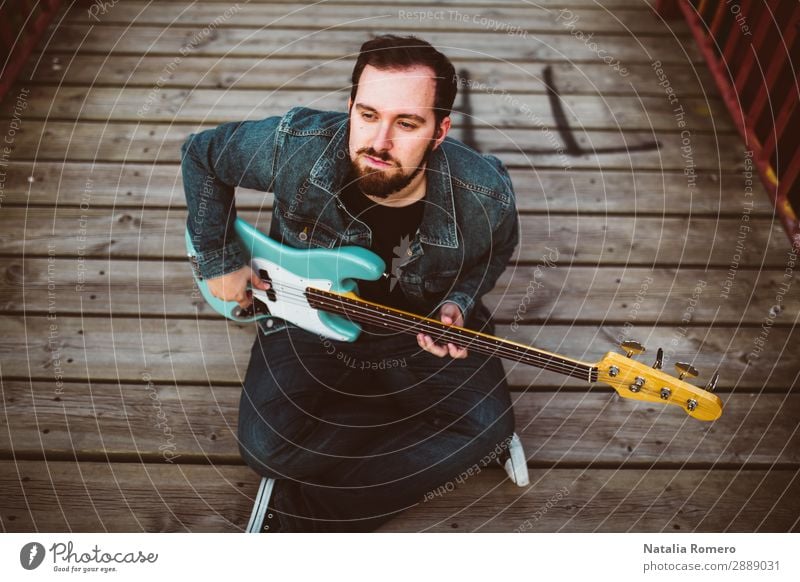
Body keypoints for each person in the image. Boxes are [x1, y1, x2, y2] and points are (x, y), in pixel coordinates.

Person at [181, 34, 520, 532]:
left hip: (415, 321)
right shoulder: (299, 146)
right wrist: (218, 260)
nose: (379, 142)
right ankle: (405, 417)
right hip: (307, 311)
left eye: (406, 123)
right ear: (350, 106)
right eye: (367, 115)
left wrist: (459, 301)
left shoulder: (485, 193)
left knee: (489, 430)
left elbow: (490, 255)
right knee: (266, 447)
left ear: (440, 129)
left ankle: (307, 518)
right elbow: (202, 155)